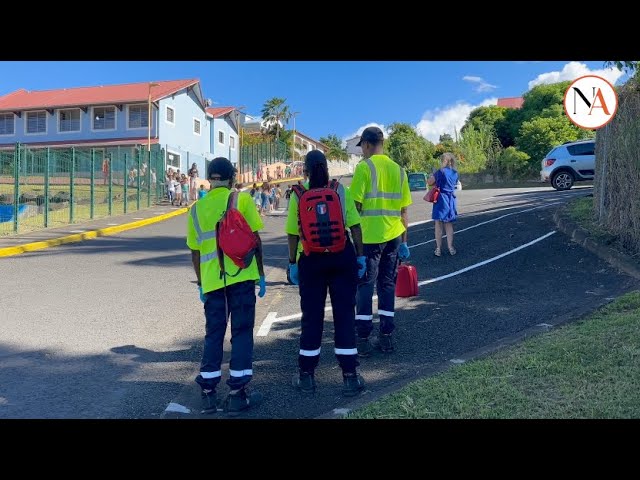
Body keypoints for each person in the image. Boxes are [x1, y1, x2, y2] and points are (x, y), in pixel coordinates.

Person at [187, 157, 267, 415]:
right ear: (231, 178)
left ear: (210, 179)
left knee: (214, 334)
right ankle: (237, 393)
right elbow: (255, 239)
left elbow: (196, 252)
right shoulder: (241, 200)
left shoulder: (196, 209)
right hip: (241, 277)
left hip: (212, 283)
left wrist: (201, 282)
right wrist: (262, 274)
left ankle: (208, 393)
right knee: (241, 333)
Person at [286, 150, 367, 396]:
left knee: (312, 317)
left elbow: (292, 232)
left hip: (310, 260)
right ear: (327, 167)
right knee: (344, 315)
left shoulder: (298, 194)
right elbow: (355, 227)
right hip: (342, 257)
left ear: (306, 171)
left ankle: (307, 375)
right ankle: (350, 376)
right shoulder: (341, 190)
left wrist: (292, 263)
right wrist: (360, 257)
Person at [349, 126, 412, 356]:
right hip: (394, 236)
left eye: (362, 148)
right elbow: (404, 211)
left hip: (369, 238)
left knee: (365, 286)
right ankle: (386, 337)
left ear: (366, 144)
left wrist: (354, 244)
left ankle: (363, 338)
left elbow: (354, 208)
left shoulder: (364, 168)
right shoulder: (399, 170)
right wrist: (404, 241)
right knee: (387, 285)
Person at [428, 152, 459, 256]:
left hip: (441, 199)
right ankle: (451, 247)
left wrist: (432, 176)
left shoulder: (440, 172)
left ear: (444, 161)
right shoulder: (455, 173)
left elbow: (430, 182)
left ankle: (438, 249)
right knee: (449, 224)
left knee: (438, 224)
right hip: (450, 199)